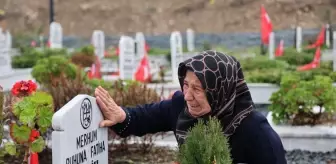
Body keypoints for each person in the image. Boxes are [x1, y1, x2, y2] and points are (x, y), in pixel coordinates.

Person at [95, 50, 287, 164]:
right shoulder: (181, 106)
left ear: (219, 89)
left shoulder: (256, 132)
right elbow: (145, 117)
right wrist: (121, 116)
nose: (187, 96)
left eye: (197, 88)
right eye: (186, 85)